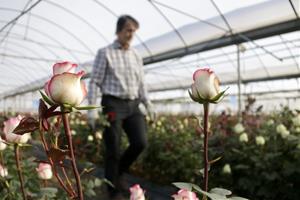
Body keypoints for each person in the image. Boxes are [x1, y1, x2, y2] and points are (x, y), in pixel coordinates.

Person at [87, 15, 154, 200]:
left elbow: (142, 83)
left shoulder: (136, 55)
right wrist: (91, 110)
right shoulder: (105, 52)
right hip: (112, 102)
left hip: (133, 104)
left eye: (133, 31)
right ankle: (112, 191)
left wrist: (148, 103)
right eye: (128, 30)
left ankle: (117, 175)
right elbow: (95, 82)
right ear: (118, 31)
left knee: (140, 142)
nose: (131, 34)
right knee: (113, 149)